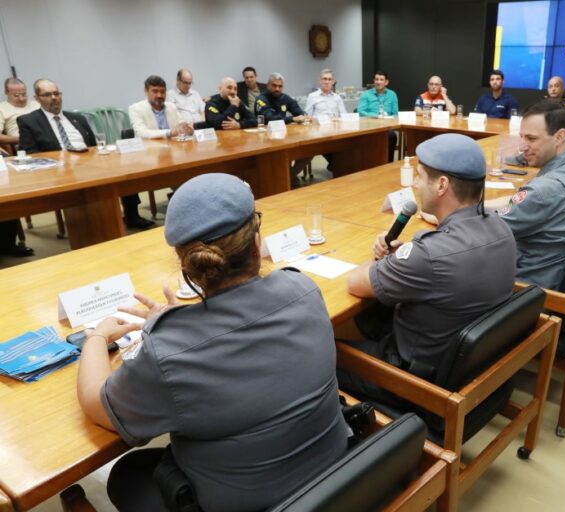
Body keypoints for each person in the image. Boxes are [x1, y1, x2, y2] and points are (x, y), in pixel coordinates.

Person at [77, 173, 348, 512]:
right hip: (336, 477)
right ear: (255, 245)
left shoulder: (168, 355)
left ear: (187, 264)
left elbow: (96, 404)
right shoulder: (302, 289)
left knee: (127, 474)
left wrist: (97, 337)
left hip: (252, 503)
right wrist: (177, 325)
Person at [339, 134, 517, 400]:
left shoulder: (429, 255)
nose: (414, 183)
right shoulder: (501, 228)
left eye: (420, 176)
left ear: (441, 185)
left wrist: (389, 259)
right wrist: (402, 259)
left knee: (316, 355)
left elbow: (355, 282)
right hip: (466, 364)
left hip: (414, 380)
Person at [487, 101, 565, 290]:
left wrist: (453, 213)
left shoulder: (543, 191)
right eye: (522, 137)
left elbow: (486, 230)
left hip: (528, 288)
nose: (522, 147)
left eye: (531, 139)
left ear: (559, 137)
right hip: (556, 273)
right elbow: (512, 206)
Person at [17, 79, 152, 229]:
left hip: (89, 164)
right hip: (58, 170)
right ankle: (94, 224)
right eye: (47, 94)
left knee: (124, 170)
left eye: (56, 93)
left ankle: (132, 215)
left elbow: (94, 145)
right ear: (37, 98)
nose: (54, 98)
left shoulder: (78, 118)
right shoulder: (28, 121)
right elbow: (30, 153)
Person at [0, 77, 39, 257]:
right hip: (19, 150)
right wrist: (24, 139)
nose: (22, 98)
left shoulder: (36, 105)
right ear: (7, 93)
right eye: (17, 95)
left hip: (44, 146)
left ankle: (7, 244)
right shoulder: (3, 108)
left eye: (24, 94)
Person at [255, 73, 311, 187]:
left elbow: (298, 111)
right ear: (268, 85)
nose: (277, 89)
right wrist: (292, 118)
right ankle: (286, 178)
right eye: (274, 85)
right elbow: (269, 119)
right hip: (267, 140)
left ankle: (287, 177)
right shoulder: (261, 99)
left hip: (284, 137)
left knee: (310, 151)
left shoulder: (285, 97)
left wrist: (305, 116)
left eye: (280, 86)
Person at [128, 75, 193, 139]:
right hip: (149, 148)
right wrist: (169, 133)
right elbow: (141, 133)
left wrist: (187, 129)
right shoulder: (135, 109)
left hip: (173, 147)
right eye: (155, 91)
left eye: (162, 91)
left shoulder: (171, 106)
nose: (159, 95)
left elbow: (181, 123)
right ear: (146, 91)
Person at [357, 70, 399, 161]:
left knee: (392, 136)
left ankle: (388, 163)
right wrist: (375, 116)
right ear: (374, 81)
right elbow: (360, 111)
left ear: (386, 82)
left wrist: (389, 118)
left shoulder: (392, 95)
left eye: (381, 79)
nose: (378, 82)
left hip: (387, 127)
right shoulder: (366, 94)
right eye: (376, 79)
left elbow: (395, 114)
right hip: (369, 126)